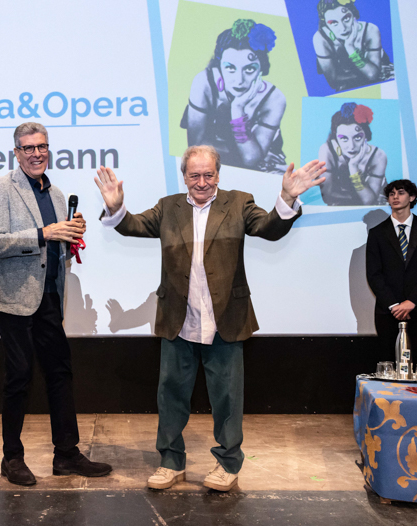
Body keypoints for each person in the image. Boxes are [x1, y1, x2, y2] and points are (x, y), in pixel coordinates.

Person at [95, 145, 326, 491]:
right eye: (194, 175)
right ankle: (171, 462)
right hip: (179, 319)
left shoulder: (239, 202)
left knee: (227, 399)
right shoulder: (168, 207)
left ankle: (228, 464)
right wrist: (116, 207)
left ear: (218, 174)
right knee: (170, 396)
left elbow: (269, 228)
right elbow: (134, 226)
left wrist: (287, 197)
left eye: (208, 175)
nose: (202, 182)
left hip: (225, 319)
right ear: (184, 176)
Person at [0, 122, 112, 485]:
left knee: (59, 372)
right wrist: (44, 233)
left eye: (42, 146)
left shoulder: (56, 195)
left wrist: (70, 235)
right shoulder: (1, 187)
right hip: (13, 298)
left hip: (50, 293)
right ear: (16, 152)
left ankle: (66, 455)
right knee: (20, 374)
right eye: (28, 148)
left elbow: (55, 248)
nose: (36, 153)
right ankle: (11, 458)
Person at [181, 18, 287, 174]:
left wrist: (237, 109)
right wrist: (244, 151)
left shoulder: (274, 99)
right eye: (230, 68)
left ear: (261, 69)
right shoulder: (204, 83)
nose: (239, 80)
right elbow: (195, 148)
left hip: (263, 171)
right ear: (219, 66)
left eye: (249, 69)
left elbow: (250, 159)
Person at [365, 179, 417, 363]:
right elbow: (374, 274)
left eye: (401, 193)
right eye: (391, 194)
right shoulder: (377, 233)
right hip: (388, 311)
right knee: (389, 363)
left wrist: (411, 301)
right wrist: (394, 305)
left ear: (412, 197)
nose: (395, 197)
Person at [313, 0, 394, 92]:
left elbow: (372, 75)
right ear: (325, 24)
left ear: (354, 15)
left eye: (346, 18)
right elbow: (333, 82)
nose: (343, 28)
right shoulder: (321, 38)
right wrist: (365, 72)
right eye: (334, 23)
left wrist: (350, 47)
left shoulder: (370, 30)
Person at [318, 102, 387, 206]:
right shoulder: (327, 150)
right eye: (344, 138)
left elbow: (368, 201)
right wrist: (359, 197)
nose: (351, 146)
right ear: (335, 139)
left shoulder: (378, 156)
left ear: (366, 136)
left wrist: (353, 167)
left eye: (357, 137)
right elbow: (327, 197)